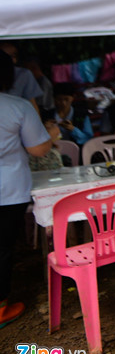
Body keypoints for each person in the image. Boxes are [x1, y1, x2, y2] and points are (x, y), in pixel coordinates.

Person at [0, 51, 52, 328]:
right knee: (2, 248)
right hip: (7, 190)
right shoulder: (17, 106)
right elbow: (38, 149)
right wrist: (52, 136)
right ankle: (0, 309)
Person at [0, 42, 42, 113]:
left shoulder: (23, 75)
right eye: (5, 56)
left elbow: (32, 104)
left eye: (13, 56)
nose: (10, 59)